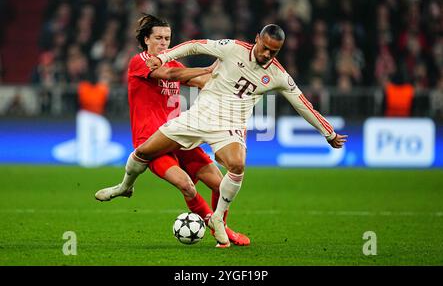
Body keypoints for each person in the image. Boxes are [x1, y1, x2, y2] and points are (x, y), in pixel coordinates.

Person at [137, 24, 348, 247]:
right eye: (264, 47)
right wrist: (163, 57)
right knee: (161, 162)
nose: (266, 54)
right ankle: (128, 183)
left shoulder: (278, 76)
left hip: (230, 126)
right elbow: (195, 46)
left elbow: (303, 105)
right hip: (201, 116)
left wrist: (329, 132)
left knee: (235, 166)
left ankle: (219, 221)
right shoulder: (232, 48)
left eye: (273, 52)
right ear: (257, 38)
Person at [94, 14, 250, 246]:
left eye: (167, 38)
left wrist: (233, 83)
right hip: (153, 140)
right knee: (186, 185)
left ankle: (221, 226)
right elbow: (169, 75)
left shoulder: (175, 63)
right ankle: (216, 226)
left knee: (220, 184)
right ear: (146, 39)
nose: (164, 43)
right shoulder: (140, 61)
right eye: (158, 37)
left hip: (180, 136)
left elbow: (201, 82)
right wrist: (207, 68)